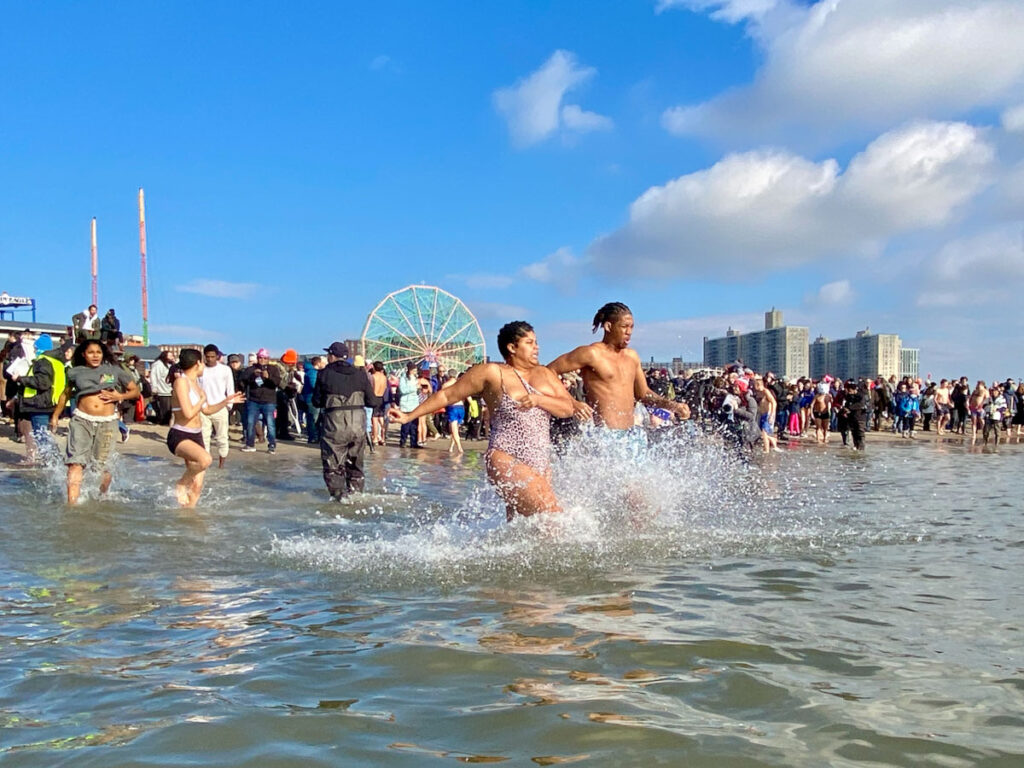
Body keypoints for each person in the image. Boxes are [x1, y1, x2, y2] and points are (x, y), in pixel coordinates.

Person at [390, 321, 574, 519]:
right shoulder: (493, 372)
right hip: (505, 456)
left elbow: (567, 408)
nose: (536, 347)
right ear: (512, 347)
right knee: (552, 517)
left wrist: (539, 399)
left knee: (522, 527)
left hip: (539, 461)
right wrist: (409, 415)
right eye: (530, 343)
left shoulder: (545, 374)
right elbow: (447, 396)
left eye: (536, 342)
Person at [546, 302, 690, 433]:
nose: (629, 332)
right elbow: (547, 372)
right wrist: (573, 403)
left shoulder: (632, 356)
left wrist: (673, 406)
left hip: (632, 434)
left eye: (631, 327)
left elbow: (643, 394)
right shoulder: (591, 354)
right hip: (603, 435)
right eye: (624, 326)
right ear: (608, 327)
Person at [51, 339, 140, 504]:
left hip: (108, 422)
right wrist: (56, 415)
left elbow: (135, 391)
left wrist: (120, 396)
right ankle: (72, 505)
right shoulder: (74, 372)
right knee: (75, 463)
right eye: (91, 352)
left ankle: (102, 498)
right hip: (81, 420)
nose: (95, 356)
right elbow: (65, 394)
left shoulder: (114, 370)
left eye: (98, 352)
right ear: (84, 354)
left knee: (102, 466)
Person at [168, 348, 245, 507]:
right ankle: (181, 483)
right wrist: (202, 398)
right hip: (181, 435)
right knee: (206, 459)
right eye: (202, 362)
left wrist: (226, 401)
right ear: (198, 363)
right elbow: (188, 412)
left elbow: (207, 409)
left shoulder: (196, 385)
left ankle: (187, 517)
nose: (204, 366)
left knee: (197, 486)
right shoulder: (181, 382)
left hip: (197, 435)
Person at [312, 342, 381, 499]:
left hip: (334, 424)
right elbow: (372, 401)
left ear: (332, 356)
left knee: (333, 465)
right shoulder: (360, 374)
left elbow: (316, 401)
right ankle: (356, 497)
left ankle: (339, 499)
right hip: (358, 425)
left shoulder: (324, 374)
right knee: (356, 464)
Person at [8, 335, 71, 464]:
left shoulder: (43, 361)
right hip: (49, 401)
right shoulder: (56, 361)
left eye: (35, 348)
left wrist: (20, 379)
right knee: (42, 434)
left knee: (41, 435)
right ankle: (53, 461)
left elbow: (42, 382)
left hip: (39, 403)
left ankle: (54, 463)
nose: (34, 350)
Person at [198, 344, 236, 468]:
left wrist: (229, 407)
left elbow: (230, 389)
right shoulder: (200, 369)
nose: (210, 359)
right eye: (207, 357)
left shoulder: (225, 370)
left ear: (217, 356)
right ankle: (206, 462)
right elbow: (196, 388)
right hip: (203, 408)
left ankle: (221, 464)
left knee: (222, 437)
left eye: (212, 357)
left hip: (220, 407)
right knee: (204, 437)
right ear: (204, 356)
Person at [240, 348, 282, 453]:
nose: (262, 360)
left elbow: (277, 383)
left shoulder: (273, 369)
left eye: (264, 358)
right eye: (260, 358)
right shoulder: (251, 369)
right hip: (254, 400)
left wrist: (268, 377)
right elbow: (242, 382)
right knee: (250, 422)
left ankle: (272, 445)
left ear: (268, 359)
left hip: (269, 401)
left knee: (270, 423)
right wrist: (253, 376)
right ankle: (250, 444)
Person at [396, 362, 422, 448]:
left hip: (415, 404)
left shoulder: (415, 378)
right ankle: (403, 441)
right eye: (414, 370)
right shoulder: (403, 378)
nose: (415, 371)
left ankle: (414, 442)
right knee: (406, 424)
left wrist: (419, 389)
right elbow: (403, 390)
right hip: (406, 404)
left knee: (414, 425)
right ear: (409, 370)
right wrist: (414, 388)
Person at [442, 369, 465, 454]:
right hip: (461, 407)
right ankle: (451, 447)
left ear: (448, 375)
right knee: (455, 428)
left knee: (454, 429)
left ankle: (459, 448)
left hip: (452, 407)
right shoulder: (461, 384)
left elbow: (443, 397)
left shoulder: (446, 385)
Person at [149, 351, 175, 425]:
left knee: (169, 410)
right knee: (164, 409)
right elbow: (153, 376)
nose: (171, 357)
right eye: (170, 356)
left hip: (169, 390)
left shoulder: (169, 365)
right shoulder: (158, 364)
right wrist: (154, 387)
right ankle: (163, 422)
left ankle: (166, 422)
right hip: (162, 390)